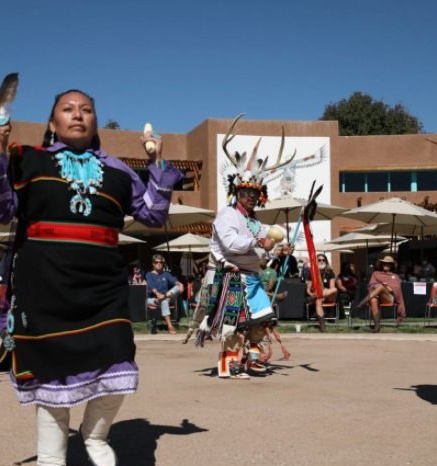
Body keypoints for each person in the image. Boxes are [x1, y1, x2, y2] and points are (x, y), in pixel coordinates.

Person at [0, 89, 181, 466]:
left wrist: (156, 163)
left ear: (95, 122)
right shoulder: (28, 160)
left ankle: (95, 434)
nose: (78, 115)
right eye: (68, 110)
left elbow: (153, 214)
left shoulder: (119, 171)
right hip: (43, 283)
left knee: (119, 354)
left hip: (103, 285)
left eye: (87, 110)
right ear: (52, 123)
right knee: (50, 367)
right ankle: (51, 457)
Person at [196, 116, 293, 379]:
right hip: (232, 276)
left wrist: (276, 250)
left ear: (259, 196)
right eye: (245, 193)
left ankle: (250, 358)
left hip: (253, 278)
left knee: (263, 320)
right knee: (234, 325)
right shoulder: (227, 215)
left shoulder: (255, 221)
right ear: (236, 192)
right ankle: (231, 364)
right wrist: (258, 242)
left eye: (253, 194)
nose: (249, 197)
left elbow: (263, 250)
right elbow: (231, 244)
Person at [358, 255, 406, 333]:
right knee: (373, 300)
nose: (385, 265)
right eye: (384, 263)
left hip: (388, 298)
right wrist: (381, 286)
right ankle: (377, 327)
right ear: (381, 264)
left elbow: (394, 290)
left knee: (380, 287)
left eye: (388, 264)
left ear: (391, 266)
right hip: (376, 296)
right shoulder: (376, 274)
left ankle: (361, 303)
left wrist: (383, 286)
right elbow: (371, 286)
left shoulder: (395, 276)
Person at [145, 254, 183, 334]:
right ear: (153, 264)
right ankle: (170, 326)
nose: (158, 264)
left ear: (163, 264)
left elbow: (175, 282)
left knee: (177, 287)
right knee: (164, 301)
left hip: (165, 297)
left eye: (160, 262)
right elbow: (152, 288)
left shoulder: (166, 274)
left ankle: (163, 298)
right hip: (153, 299)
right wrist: (158, 295)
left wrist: (180, 284)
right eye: (156, 262)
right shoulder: (149, 275)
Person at [305, 253, 338, 332]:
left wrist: (322, 293)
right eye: (319, 260)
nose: (321, 261)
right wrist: (311, 294)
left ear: (326, 262)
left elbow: (332, 288)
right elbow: (308, 290)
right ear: (316, 262)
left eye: (323, 260)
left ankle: (319, 295)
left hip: (328, 296)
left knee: (335, 289)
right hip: (317, 296)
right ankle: (322, 325)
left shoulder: (330, 273)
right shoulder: (312, 273)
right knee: (318, 300)